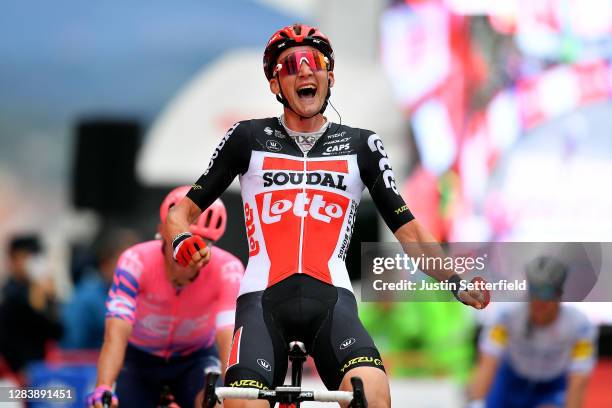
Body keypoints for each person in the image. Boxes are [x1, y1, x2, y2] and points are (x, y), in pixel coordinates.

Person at [164, 24, 486, 408]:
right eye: (290, 65)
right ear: (274, 84)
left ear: (329, 76)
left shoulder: (361, 144)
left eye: (314, 61)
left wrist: (454, 278)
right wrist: (182, 241)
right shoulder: (246, 137)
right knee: (242, 403)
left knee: (374, 394)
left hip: (331, 301)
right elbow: (179, 214)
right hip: (263, 301)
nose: (304, 70)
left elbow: (410, 231)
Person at [87, 186, 244, 408]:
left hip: (195, 358)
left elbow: (228, 338)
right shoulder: (135, 261)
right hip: (139, 359)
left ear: (211, 246)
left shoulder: (227, 268)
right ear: (162, 231)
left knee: (213, 403)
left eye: (199, 246)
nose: (187, 256)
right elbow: (116, 334)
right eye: (179, 243)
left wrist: (233, 392)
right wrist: (103, 387)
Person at [468, 256, 598, 408]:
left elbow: (578, 381)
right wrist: (476, 403)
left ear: (559, 295)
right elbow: (488, 362)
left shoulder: (580, 326)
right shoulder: (507, 315)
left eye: (546, 293)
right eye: (534, 292)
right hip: (511, 381)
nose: (539, 302)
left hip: (551, 386)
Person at [61, 228, 139, 349]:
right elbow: (71, 349)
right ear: (105, 263)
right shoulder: (86, 298)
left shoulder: (134, 294)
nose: (134, 270)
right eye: (128, 263)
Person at [0, 234, 63, 376]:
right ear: (13, 259)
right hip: (12, 376)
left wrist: (50, 299)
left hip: (41, 372)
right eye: (25, 257)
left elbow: (57, 332)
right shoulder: (9, 294)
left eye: (34, 258)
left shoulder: (41, 290)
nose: (30, 263)